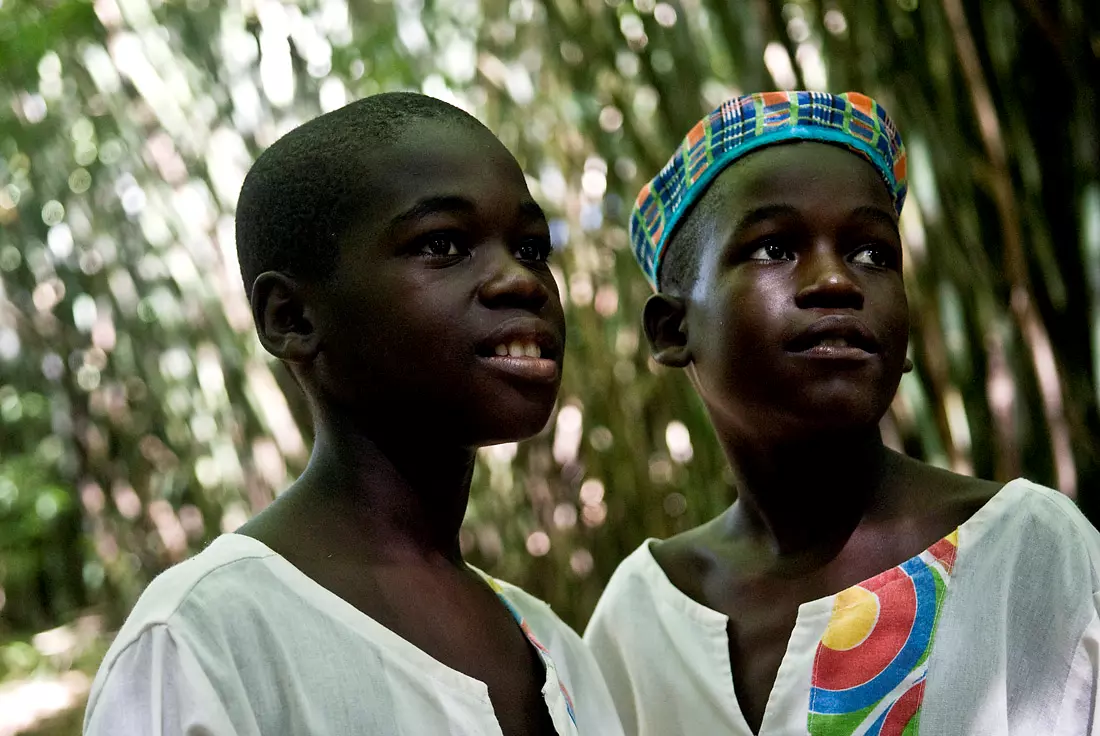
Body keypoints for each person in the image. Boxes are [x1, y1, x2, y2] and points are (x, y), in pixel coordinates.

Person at [84, 92, 623, 736]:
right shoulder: (203, 641)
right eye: (443, 243)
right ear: (292, 317)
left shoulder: (558, 651)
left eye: (532, 248)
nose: (522, 280)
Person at [584, 90, 1100, 735]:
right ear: (672, 330)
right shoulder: (641, 616)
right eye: (775, 248)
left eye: (873, 254)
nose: (837, 281)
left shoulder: (1023, 551)